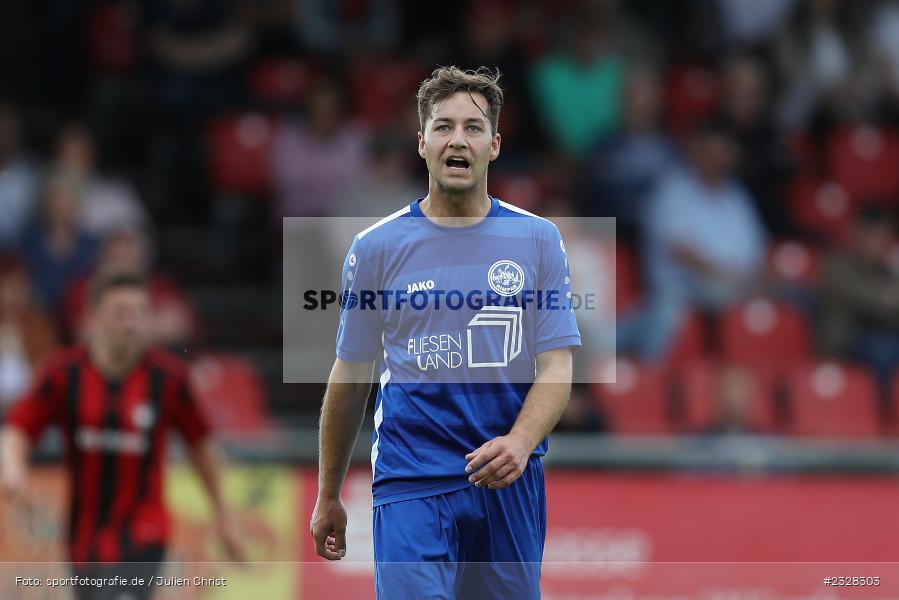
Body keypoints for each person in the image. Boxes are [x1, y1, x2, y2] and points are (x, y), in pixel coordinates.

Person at [309, 66, 580, 600]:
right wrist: (328, 494)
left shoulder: (539, 239)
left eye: (474, 128)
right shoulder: (375, 247)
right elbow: (352, 370)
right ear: (422, 142)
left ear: (495, 145)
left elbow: (557, 365)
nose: (458, 139)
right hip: (411, 480)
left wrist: (520, 443)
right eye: (443, 126)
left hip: (508, 481)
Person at [0, 272, 244, 600]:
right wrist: (14, 473)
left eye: (139, 314)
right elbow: (18, 429)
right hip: (83, 538)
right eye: (120, 313)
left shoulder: (168, 378)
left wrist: (224, 514)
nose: (131, 324)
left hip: (145, 531)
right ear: (93, 317)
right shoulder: (63, 373)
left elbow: (201, 446)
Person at [618, 118, 767, 359]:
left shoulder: (737, 195)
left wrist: (745, 280)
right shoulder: (672, 190)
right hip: (680, 291)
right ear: (697, 148)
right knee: (665, 313)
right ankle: (644, 376)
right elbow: (681, 251)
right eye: (713, 149)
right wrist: (728, 276)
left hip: (732, 289)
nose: (719, 157)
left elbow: (755, 252)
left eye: (725, 150)